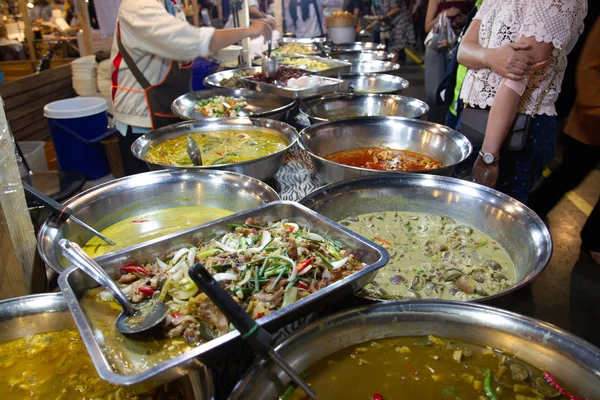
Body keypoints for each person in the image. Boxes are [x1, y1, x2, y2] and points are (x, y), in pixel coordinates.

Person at [111, 0, 275, 175]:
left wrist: (216, 47)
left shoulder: (171, 5)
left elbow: (194, 44)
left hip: (168, 110)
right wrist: (249, 30)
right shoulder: (138, 5)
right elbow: (188, 42)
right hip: (140, 118)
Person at [456, 0, 587, 204]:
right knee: (462, 213)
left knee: (495, 223)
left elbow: (516, 78)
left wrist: (489, 155)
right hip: (474, 121)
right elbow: (463, 51)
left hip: (517, 130)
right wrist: (491, 57)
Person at [528, 17, 600, 264]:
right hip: (590, 125)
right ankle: (530, 219)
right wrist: (595, 110)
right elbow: (588, 69)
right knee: (567, 176)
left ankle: (594, 239)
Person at [424, 0, 474, 123]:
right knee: (434, 94)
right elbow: (427, 27)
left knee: (453, 93)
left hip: (458, 50)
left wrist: (464, 19)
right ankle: (433, 127)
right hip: (437, 49)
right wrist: (444, 14)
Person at [372, 0, 415, 64]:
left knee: (396, 46)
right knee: (391, 44)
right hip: (391, 22)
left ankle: (392, 66)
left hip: (401, 21)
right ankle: (390, 64)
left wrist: (384, 16)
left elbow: (397, 8)